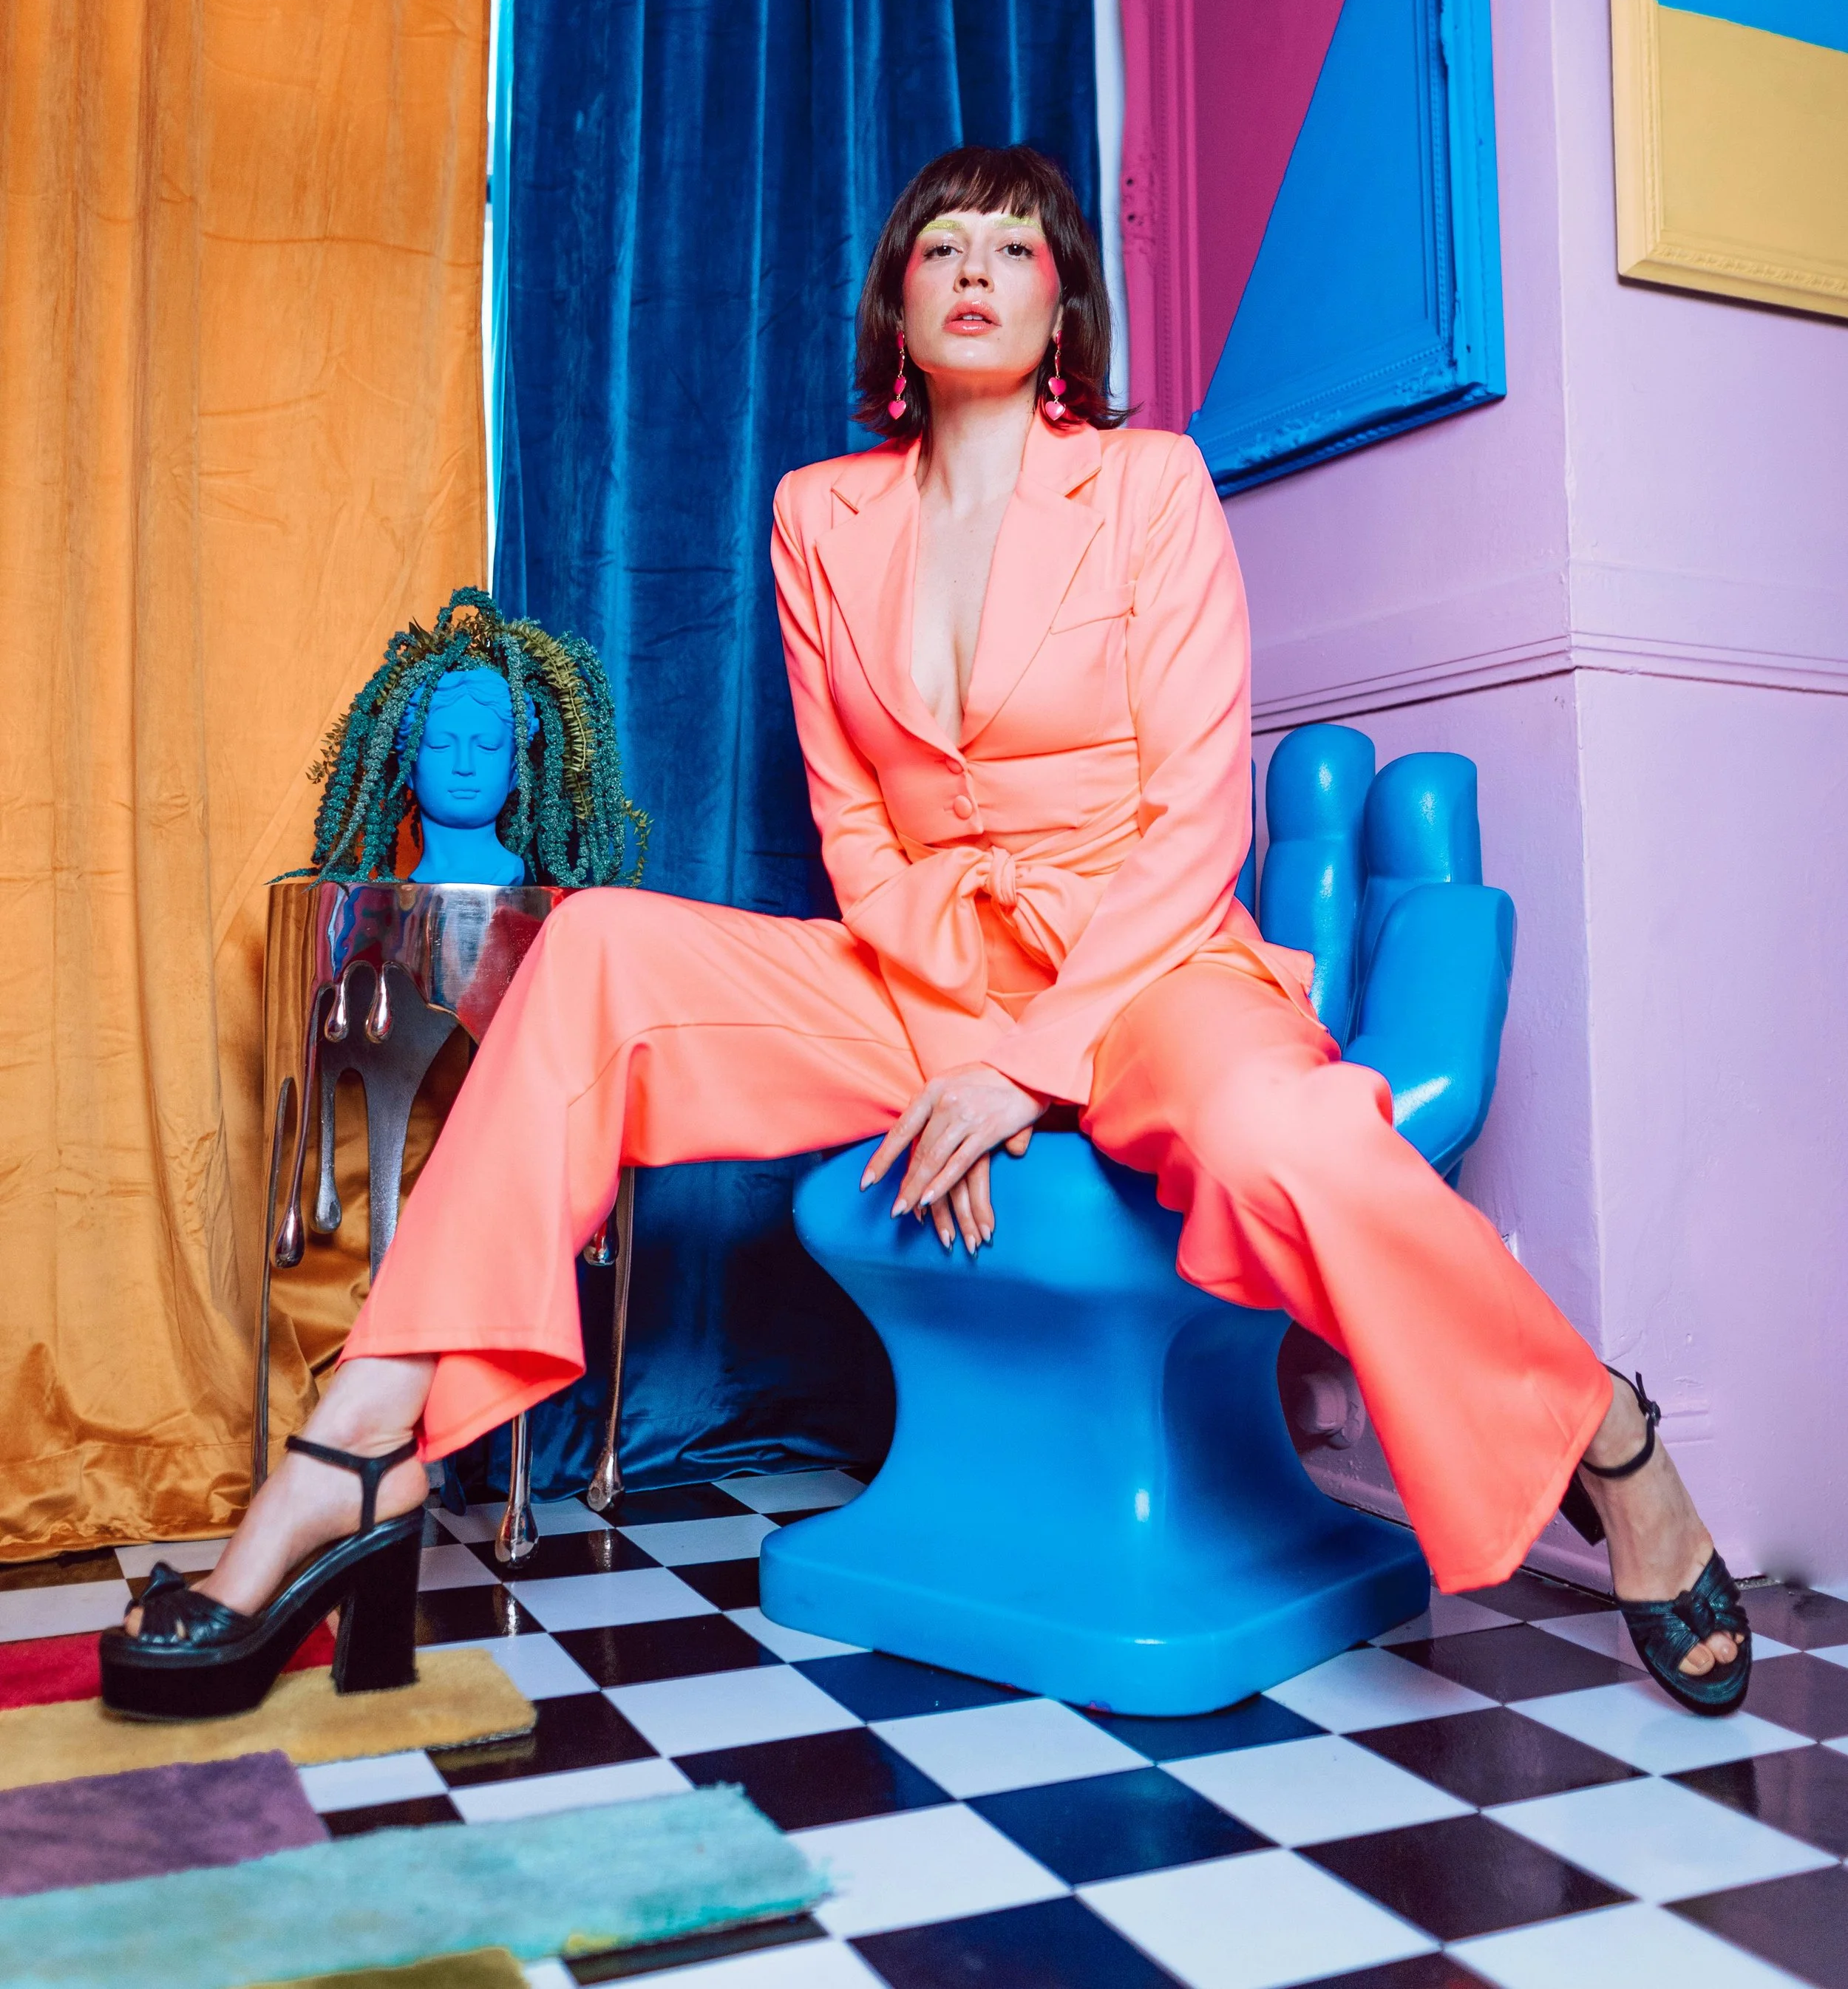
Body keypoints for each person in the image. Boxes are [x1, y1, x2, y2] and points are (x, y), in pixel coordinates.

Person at [104, 146, 1749, 1722]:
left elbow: (1195, 821)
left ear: (1060, 309)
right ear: (896, 306)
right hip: (916, 976)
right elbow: (855, 828)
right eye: (937, 248)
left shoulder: (1149, 487)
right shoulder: (819, 516)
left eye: (1010, 248)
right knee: (597, 941)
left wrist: (1024, 1074)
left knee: (1276, 1136)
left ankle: (1600, 1432)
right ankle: (364, 1442)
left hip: (1150, 967)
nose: (972, 271)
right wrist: (964, 1045)